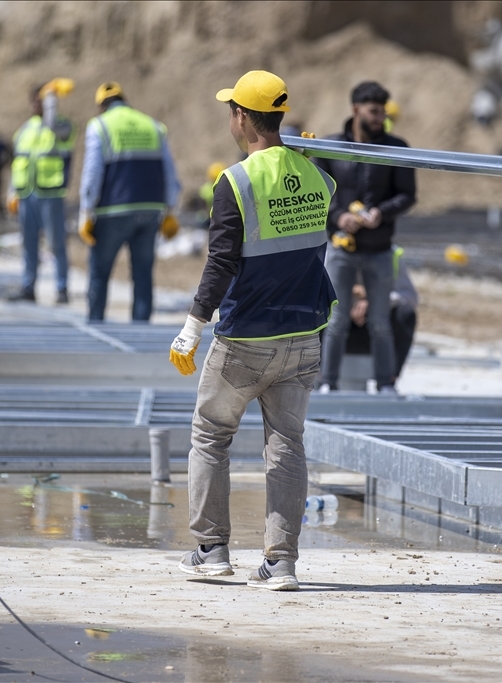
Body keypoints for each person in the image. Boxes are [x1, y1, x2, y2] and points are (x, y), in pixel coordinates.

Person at [168, 70, 336, 591]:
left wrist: (192, 327)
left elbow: (220, 264)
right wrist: (306, 156)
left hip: (246, 340)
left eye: (231, 110)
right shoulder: (318, 176)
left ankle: (211, 550)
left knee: (210, 434)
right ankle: (281, 562)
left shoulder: (234, 182)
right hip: (305, 334)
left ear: (243, 117)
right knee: (287, 443)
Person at [314, 81, 416, 393]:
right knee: (336, 321)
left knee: (381, 322)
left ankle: (385, 383)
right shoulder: (330, 148)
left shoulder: (396, 148)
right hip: (341, 249)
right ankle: (327, 383)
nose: (380, 118)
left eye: (383, 111)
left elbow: (407, 195)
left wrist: (380, 214)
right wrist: (339, 216)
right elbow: (320, 195)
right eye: (374, 111)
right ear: (356, 109)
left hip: (380, 249)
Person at [78, 81, 181, 322]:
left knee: (100, 273)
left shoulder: (99, 125)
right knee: (143, 274)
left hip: (112, 210)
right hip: (150, 210)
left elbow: (92, 173)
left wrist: (86, 210)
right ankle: (141, 330)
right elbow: (169, 171)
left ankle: (96, 325)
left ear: (101, 105)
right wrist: (171, 209)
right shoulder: (153, 126)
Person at [7, 80, 76, 303]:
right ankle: (28, 287)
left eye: (42, 99)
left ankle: (62, 288)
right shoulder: (24, 130)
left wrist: (51, 102)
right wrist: (12, 192)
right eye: (36, 99)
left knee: (56, 243)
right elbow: (18, 161)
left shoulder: (61, 125)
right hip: (27, 195)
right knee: (28, 244)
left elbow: (52, 127)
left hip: (51, 195)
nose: (38, 103)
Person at [344, 246, 418, 382]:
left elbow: (409, 298)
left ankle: (389, 380)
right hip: (340, 330)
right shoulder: (331, 250)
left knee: (405, 314)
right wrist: (346, 300)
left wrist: (374, 300)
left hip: (377, 329)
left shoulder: (390, 253)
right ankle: (321, 377)